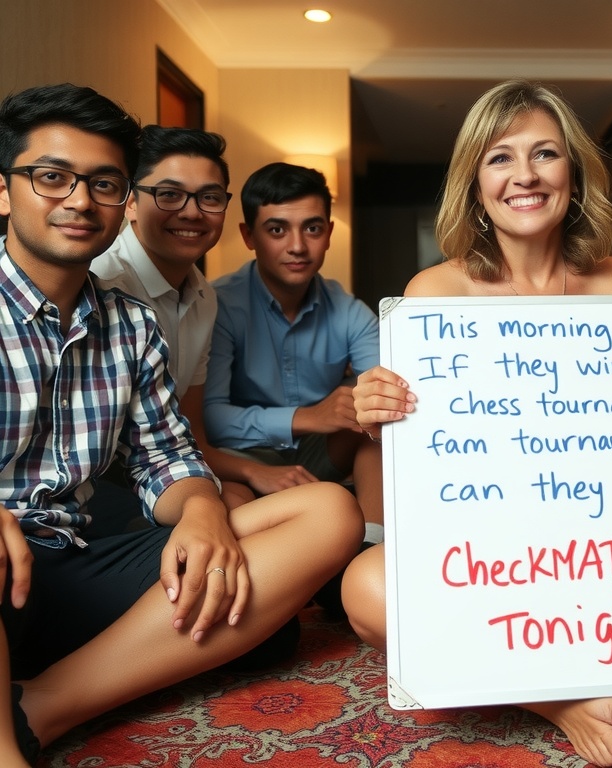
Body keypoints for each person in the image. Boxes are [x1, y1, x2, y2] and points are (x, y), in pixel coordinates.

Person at [344, 79, 612, 768]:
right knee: (365, 586)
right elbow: (427, 456)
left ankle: (575, 652)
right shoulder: (434, 292)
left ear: (573, 176)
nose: (525, 175)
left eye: (545, 153)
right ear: (475, 183)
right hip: (495, 547)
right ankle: (556, 699)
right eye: (500, 157)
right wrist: (379, 409)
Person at [0, 83, 362, 766]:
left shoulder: (133, 324)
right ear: (3, 190)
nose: (79, 200)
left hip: (72, 557)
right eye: (52, 178)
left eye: (101, 183)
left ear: (120, 202)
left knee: (327, 513)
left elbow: (169, 450)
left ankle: (39, 707)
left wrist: (200, 510)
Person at [205, 163, 384, 554]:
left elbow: (383, 392)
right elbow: (211, 420)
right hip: (241, 458)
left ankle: (371, 551)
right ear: (249, 236)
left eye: (313, 228)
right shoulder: (218, 305)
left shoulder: (350, 310)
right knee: (228, 498)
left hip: (320, 454)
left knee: (376, 428)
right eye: (276, 230)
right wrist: (309, 417)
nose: (298, 246)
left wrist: (365, 402)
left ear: (329, 234)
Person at [90, 125, 254, 510]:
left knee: (247, 497)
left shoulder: (204, 296)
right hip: (94, 485)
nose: (192, 212)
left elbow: (190, 427)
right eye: (169, 195)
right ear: (130, 201)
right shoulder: (99, 281)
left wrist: (249, 471)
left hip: (166, 470)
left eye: (209, 197)